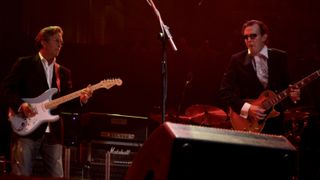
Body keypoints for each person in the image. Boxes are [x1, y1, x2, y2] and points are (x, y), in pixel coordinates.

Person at [0, 26, 93, 177]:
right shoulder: (25, 64)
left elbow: (65, 102)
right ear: (43, 42)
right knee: (21, 175)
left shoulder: (63, 72)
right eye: (56, 41)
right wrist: (21, 105)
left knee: (57, 176)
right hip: (26, 130)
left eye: (61, 42)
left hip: (53, 132)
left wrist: (81, 100)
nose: (60, 45)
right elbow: (6, 89)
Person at [217, 20, 300, 135]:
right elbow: (224, 92)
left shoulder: (280, 57)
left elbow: (287, 87)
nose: (249, 40)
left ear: (264, 37)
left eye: (253, 36)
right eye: (246, 37)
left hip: (275, 123)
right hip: (248, 122)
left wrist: (294, 97)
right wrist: (248, 109)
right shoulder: (237, 60)